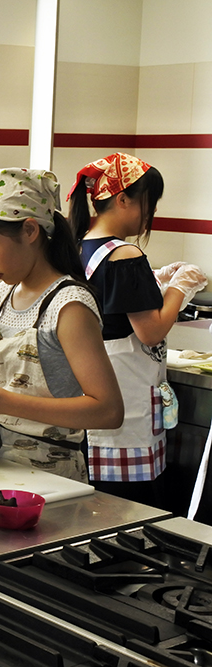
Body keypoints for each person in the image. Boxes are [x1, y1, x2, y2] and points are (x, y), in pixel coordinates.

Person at [0, 168, 124, 481]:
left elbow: (108, 411)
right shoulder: (1, 295)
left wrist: (7, 402)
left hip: (49, 478)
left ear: (29, 231)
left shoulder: (69, 306)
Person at [69, 153, 207, 504]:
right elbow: (151, 331)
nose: (151, 213)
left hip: (89, 389)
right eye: (150, 202)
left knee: (95, 504)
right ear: (123, 198)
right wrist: (182, 287)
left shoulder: (80, 246)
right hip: (125, 397)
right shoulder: (125, 256)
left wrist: (155, 279)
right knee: (130, 508)